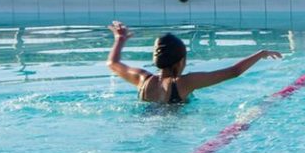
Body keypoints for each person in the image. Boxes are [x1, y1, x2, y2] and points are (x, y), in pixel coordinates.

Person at [106, 22, 282, 105]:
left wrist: (120, 39)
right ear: (181, 61)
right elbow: (234, 71)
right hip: (171, 132)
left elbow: (113, 63)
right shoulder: (185, 83)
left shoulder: (142, 79)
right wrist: (261, 53)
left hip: (143, 121)